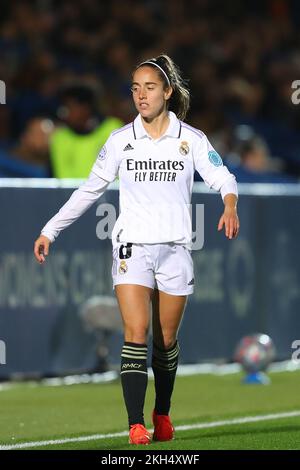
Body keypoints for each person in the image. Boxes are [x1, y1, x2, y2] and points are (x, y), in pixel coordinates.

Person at [34, 54, 239, 445]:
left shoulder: (190, 139)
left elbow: (221, 175)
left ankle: (162, 413)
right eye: (134, 88)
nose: (140, 95)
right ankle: (135, 423)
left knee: (165, 341)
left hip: (176, 248)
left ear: (167, 91)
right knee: (135, 332)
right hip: (132, 247)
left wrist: (229, 204)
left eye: (148, 87)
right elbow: (88, 191)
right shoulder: (119, 141)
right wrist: (50, 230)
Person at [50, 83, 123, 178]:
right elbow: (63, 178)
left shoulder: (112, 128)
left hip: (113, 192)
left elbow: (122, 171)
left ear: (85, 108)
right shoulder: (60, 137)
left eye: (69, 107)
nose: (64, 113)